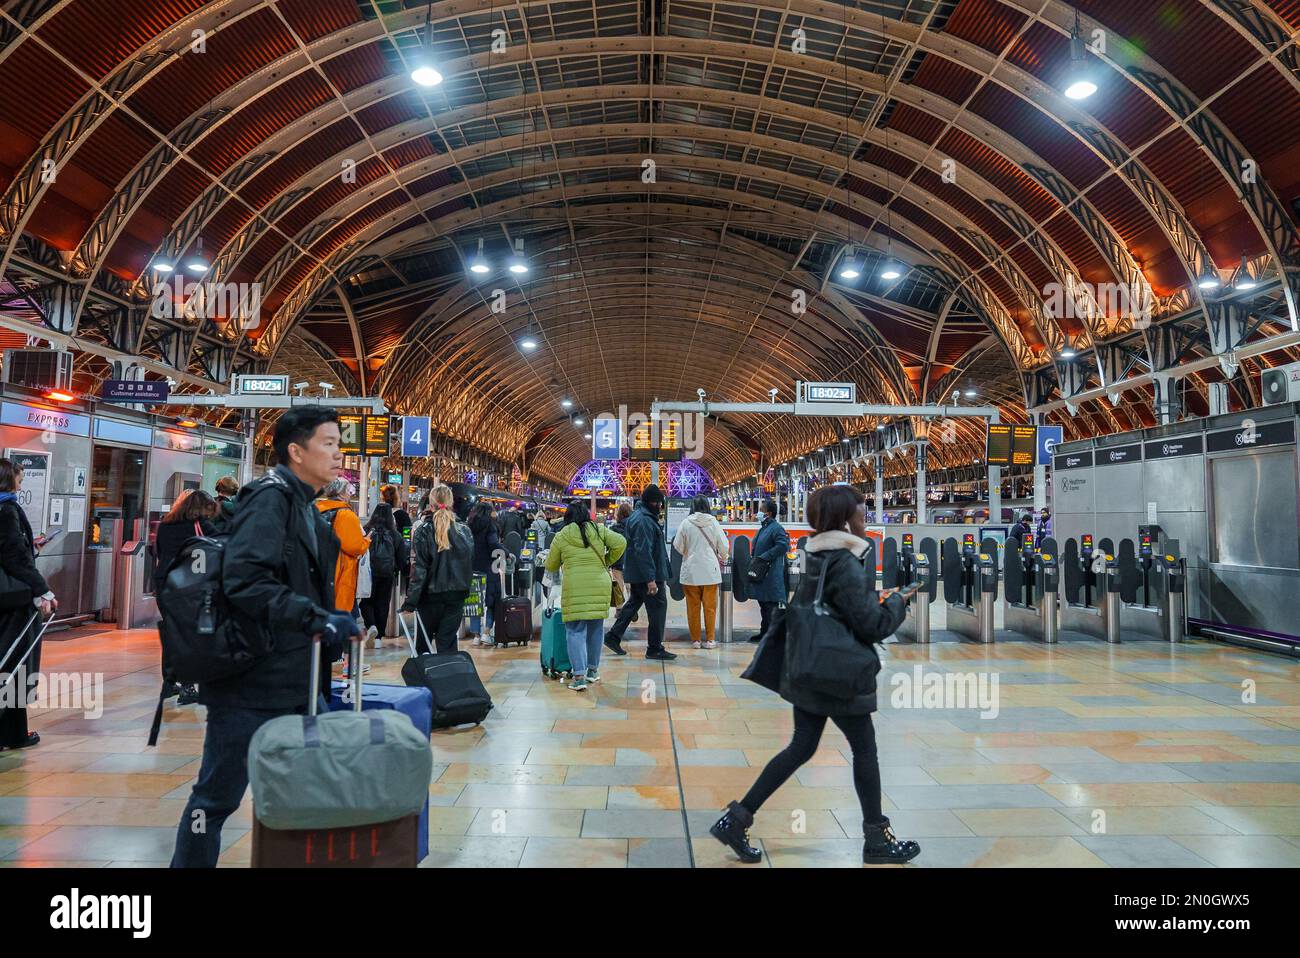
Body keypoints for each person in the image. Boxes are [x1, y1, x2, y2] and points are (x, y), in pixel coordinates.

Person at [171, 406, 358, 868]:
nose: (339, 454)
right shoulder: (269, 499)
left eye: (340, 443)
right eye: (329, 443)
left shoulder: (300, 502)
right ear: (296, 451)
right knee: (214, 799)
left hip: (288, 675)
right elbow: (245, 580)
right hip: (251, 684)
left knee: (293, 798)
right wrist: (316, 617)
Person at [710, 484, 919, 866]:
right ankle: (877, 839)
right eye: (861, 512)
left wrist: (872, 600)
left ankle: (736, 820)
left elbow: (832, 608)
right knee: (865, 750)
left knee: (800, 747)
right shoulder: (845, 560)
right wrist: (896, 604)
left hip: (808, 667)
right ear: (844, 518)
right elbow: (871, 625)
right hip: (838, 674)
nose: (866, 519)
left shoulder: (813, 554)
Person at [0, 458, 57, 752]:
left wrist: (28, 545)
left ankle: (14, 732)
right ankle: (11, 734)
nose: (20, 487)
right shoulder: (7, 509)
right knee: (15, 663)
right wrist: (42, 589)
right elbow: (15, 559)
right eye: (19, 481)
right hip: (13, 601)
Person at [545, 501, 625, 691]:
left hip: (575, 586)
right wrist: (606, 561)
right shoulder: (599, 530)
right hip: (599, 584)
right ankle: (592, 671)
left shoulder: (562, 535)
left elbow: (551, 565)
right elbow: (621, 542)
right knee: (596, 628)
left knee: (575, 630)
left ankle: (579, 677)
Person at [153, 489, 222, 706]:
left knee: (171, 633)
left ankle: (169, 683)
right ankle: (188, 687)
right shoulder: (199, 525)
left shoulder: (164, 525)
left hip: (164, 584)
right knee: (190, 637)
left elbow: (159, 553)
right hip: (189, 587)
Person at [603, 484, 675, 660]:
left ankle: (613, 637)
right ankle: (655, 648)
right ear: (653, 502)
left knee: (633, 604)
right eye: (659, 503)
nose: (660, 507)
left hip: (638, 573)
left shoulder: (641, 516)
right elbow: (644, 551)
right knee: (658, 609)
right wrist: (651, 579)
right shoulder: (643, 520)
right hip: (648, 575)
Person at [402, 485, 473, 654]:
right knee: (447, 643)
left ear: (430, 504)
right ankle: (448, 678)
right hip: (456, 596)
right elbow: (468, 565)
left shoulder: (423, 531)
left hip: (430, 597)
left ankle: (423, 679)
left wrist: (410, 602)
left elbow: (420, 570)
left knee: (423, 644)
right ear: (451, 503)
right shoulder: (465, 531)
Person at [315, 478, 370, 641]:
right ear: (340, 493)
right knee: (344, 616)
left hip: (319, 572)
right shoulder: (346, 515)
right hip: (342, 573)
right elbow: (354, 546)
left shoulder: (316, 510)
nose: (349, 494)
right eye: (348, 490)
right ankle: (343, 658)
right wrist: (367, 541)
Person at [673, 495, 729, 649]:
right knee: (710, 607)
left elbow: (677, 545)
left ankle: (696, 640)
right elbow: (724, 545)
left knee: (693, 607)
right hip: (710, 571)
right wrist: (723, 556)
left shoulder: (686, 523)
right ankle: (710, 640)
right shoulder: (713, 522)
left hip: (690, 571)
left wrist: (688, 552)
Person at [749, 499, 790, 643]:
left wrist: (764, 557)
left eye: (761, 509)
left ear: (769, 513)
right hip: (762, 572)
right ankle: (764, 632)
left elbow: (783, 546)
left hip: (770, 573)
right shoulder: (764, 527)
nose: (758, 512)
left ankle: (771, 635)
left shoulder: (776, 528)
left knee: (770, 605)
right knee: (763, 604)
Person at [360, 502, 400, 644]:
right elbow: (401, 556)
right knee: (382, 604)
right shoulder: (395, 534)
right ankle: (378, 639)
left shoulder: (366, 529)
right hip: (387, 574)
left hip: (369, 573)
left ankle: (371, 625)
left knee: (366, 601)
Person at [466, 501, 500, 646]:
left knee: (475, 601)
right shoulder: (490, 525)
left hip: (472, 568)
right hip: (489, 567)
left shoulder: (469, 526)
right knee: (491, 600)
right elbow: (493, 544)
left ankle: (476, 635)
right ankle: (487, 632)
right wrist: (505, 552)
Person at [382, 484, 413, 593]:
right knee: (401, 590)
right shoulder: (402, 515)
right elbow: (407, 537)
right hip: (398, 558)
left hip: (382, 560)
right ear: (397, 498)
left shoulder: (380, 513)